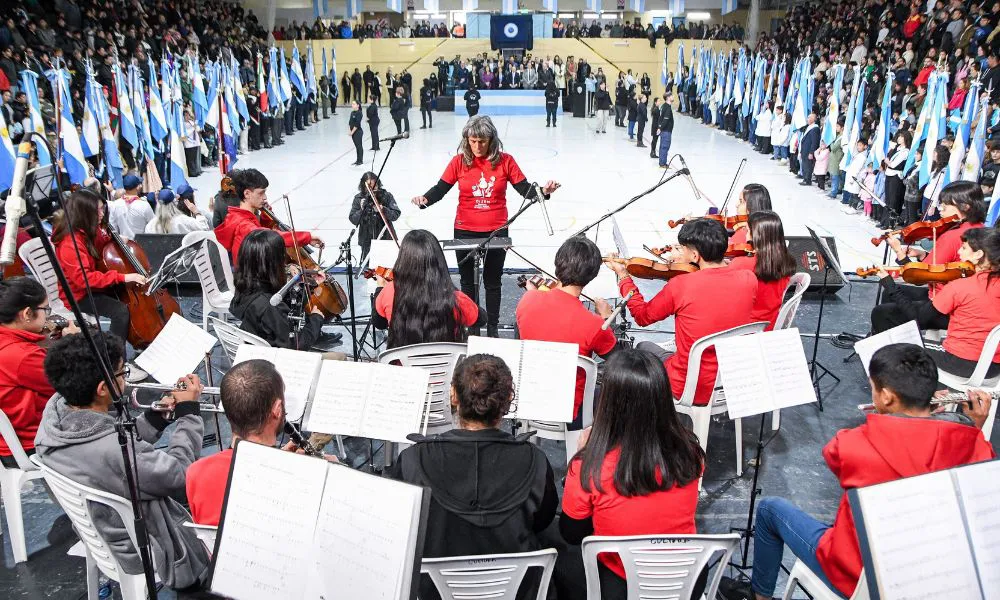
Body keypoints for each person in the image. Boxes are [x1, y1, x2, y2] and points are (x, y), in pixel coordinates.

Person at [723, 344, 994, 599]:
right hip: (928, 579)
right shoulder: (974, 443)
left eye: (873, 388)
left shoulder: (856, 444)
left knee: (770, 509)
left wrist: (887, 418)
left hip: (855, 577)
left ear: (887, 397)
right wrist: (970, 425)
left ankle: (760, 596)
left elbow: (832, 454)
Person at [36, 333, 210, 591]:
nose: (125, 379)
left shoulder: (57, 416)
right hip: (145, 548)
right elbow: (181, 476)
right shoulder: (112, 451)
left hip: (105, 531)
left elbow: (119, 443)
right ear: (102, 389)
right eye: (122, 372)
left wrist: (156, 418)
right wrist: (189, 414)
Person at [389, 353, 558, 600]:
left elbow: (399, 528)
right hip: (518, 590)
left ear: (453, 395)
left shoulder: (413, 460)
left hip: (433, 591)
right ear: (507, 400)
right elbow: (542, 521)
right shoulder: (536, 460)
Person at [560, 349, 706, 600]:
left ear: (609, 403)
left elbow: (572, 533)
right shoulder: (690, 452)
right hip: (686, 579)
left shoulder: (590, 466)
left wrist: (583, 454)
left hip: (622, 585)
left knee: (559, 556)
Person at [411, 116, 560, 337]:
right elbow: (440, 189)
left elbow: (526, 190)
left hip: (496, 230)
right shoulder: (459, 162)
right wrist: (425, 199)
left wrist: (544, 192)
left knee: (493, 282)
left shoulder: (506, 161)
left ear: (492, 140)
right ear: (466, 140)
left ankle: (492, 328)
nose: (477, 146)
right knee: (467, 283)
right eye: (473, 141)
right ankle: (472, 327)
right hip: (464, 230)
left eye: (482, 141)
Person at [605, 218, 757, 406]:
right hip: (732, 381)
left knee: (643, 346)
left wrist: (623, 276)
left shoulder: (682, 285)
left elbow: (642, 317)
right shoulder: (748, 278)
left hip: (688, 386)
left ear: (695, 255)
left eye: (682, 248)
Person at [186, 359, 335, 526]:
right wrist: (335, 475)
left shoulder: (196, 473)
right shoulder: (308, 481)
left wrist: (277, 459)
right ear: (277, 409)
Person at [516, 237, 616, 429]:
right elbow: (617, 358)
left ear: (557, 263)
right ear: (592, 275)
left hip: (530, 398)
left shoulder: (527, 300)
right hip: (571, 411)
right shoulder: (595, 324)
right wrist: (605, 318)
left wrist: (535, 293)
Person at [870, 180, 987, 334]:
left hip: (945, 304)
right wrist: (923, 254)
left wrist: (899, 252)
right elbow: (947, 266)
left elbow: (919, 278)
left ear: (965, 207)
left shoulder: (952, 236)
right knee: (890, 295)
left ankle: (895, 345)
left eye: (945, 207)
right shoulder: (981, 230)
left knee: (881, 313)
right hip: (964, 300)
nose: (940, 211)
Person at [0, 277, 78, 466]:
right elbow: (74, 385)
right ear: (27, 313)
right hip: (33, 444)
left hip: (9, 440)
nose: (47, 316)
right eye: (45, 309)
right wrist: (73, 343)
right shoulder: (23, 356)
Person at [53, 189, 144, 343]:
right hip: (79, 295)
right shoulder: (70, 243)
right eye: (98, 211)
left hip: (92, 287)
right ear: (83, 213)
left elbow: (99, 242)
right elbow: (84, 280)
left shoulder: (87, 229)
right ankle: (114, 351)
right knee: (120, 311)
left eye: (103, 209)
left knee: (126, 294)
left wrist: (113, 238)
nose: (102, 214)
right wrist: (123, 277)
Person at [372, 229, 484, 348]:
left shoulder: (388, 291)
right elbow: (481, 319)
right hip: (445, 359)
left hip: (401, 360)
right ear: (438, 260)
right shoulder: (454, 297)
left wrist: (380, 288)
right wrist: (449, 286)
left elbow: (379, 323)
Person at [230, 229, 325, 350]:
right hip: (275, 357)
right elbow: (297, 345)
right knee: (340, 357)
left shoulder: (246, 288)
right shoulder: (269, 306)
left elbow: (282, 306)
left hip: (257, 349)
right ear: (273, 263)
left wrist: (310, 285)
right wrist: (316, 319)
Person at [214, 168, 322, 267]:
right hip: (254, 279)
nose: (265, 197)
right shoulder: (244, 225)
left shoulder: (239, 216)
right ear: (247, 194)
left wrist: (265, 215)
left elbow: (261, 230)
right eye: (261, 193)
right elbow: (272, 237)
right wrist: (307, 237)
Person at [726, 211, 796, 330]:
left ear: (756, 235)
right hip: (770, 325)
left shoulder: (742, 263)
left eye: (748, 230)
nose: (746, 234)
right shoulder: (786, 261)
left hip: (743, 329)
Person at [349, 171, 401, 260]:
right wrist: (362, 210)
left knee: (386, 265)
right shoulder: (359, 198)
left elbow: (395, 215)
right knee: (368, 266)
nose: (372, 190)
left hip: (386, 239)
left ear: (378, 184)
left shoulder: (387, 196)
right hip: (366, 241)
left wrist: (383, 209)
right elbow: (353, 219)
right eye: (369, 187)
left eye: (375, 186)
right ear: (363, 186)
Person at [144, 188, 210, 234]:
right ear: (174, 203)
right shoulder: (182, 220)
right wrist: (196, 212)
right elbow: (204, 228)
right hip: (182, 251)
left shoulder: (151, 225)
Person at [118, 173, 154, 240]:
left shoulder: (115, 204)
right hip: (140, 244)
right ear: (138, 187)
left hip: (121, 244)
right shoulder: (144, 205)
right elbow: (152, 224)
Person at [798, 113, 821, 187]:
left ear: (813, 119)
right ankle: (805, 178)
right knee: (804, 165)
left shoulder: (815, 128)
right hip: (805, 150)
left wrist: (811, 152)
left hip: (809, 151)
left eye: (809, 118)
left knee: (808, 166)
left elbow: (814, 142)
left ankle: (807, 180)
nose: (807, 119)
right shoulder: (809, 127)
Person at [658, 92, 674, 167]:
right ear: (668, 98)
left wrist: (659, 127)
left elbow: (660, 118)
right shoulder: (667, 107)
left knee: (662, 147)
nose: (673, 97)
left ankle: (662, 162)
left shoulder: (663, 106)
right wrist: (660, 128)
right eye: (671, 96)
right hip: (666, 131)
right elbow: (665, 120)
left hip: (664, 131)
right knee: (665, 147)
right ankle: (662, 163)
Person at [349, 100, 364, 165]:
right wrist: (349, 130)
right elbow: (350, 122)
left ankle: (360, 160)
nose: (352, 105)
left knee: (359, 146)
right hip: (353, 132)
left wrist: (352, 132)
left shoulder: (359, 113)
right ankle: (357, 160)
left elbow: (357, 124)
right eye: (352, 104)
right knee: (357, 146)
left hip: (358, 132)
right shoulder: (352, 112)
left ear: (358, 105)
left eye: (354, 104)